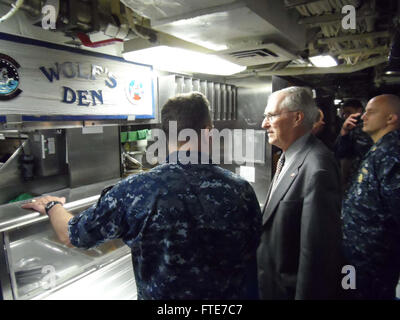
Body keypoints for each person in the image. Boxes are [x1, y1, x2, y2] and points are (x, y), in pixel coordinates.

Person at [22, 92, 262, 300]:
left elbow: (74, 235)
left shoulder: (136, 189)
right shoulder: (241, 189)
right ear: (208, 131)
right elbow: (253, 249)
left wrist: (52, 205)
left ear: (165, 132)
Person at [257, 86, 343, 300]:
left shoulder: (317, 167)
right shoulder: (287, 157)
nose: (264, 124)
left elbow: (316, 253)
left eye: (271, 116)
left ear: (297, 118)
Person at [341, 94, 400, 300]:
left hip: (373, 259)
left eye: (371, 112)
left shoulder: (392, 154)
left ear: (391, 118)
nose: (363, 116)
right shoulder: (380, 149)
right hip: (358, 255)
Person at [334, 99, 373, 190]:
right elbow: (338, 151)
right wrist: (344, 132)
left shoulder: (366, 129)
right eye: (344, 113)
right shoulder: (347, 127)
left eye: (348, 112)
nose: (346, 116)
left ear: (359, 111)